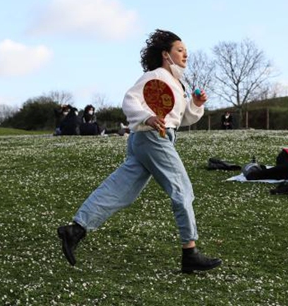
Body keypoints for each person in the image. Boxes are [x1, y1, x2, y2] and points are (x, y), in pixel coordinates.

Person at [57, 29, 221, 273]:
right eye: (179, 50)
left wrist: (195, 105)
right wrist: (148, 117)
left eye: (186, 50)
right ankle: (190, 252)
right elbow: (130, 101)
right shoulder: (155, 76)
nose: (185, 54)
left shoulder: (178, 83)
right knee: (181, 189)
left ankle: (76, 229)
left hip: (147, 138)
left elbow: (178, 118)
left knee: (122, 189)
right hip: (153, 138)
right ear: (166, 55)